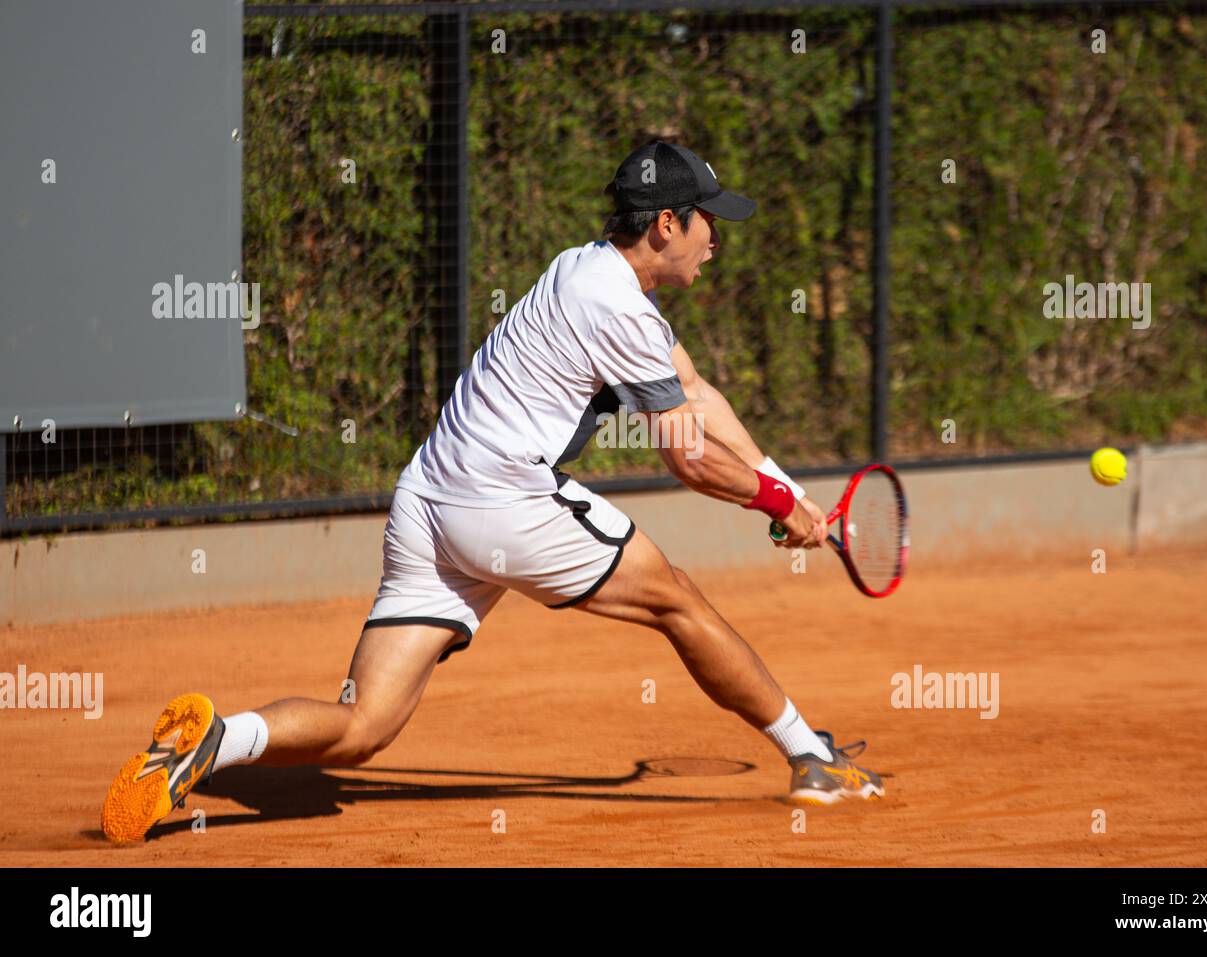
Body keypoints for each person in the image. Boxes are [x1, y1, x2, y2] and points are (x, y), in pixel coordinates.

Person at [101, 141, 884, 844]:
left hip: (428, 503)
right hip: (501, 503)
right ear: (667, 226)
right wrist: (776, 508)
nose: (720, 239)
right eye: (711, 221)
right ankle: (811, 757)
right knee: (678, 599)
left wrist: (780, 480)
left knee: (365, 728)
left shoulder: (585, 268)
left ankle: (210, 743)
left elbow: (694, 390)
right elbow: (689, 459)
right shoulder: (616, 307)